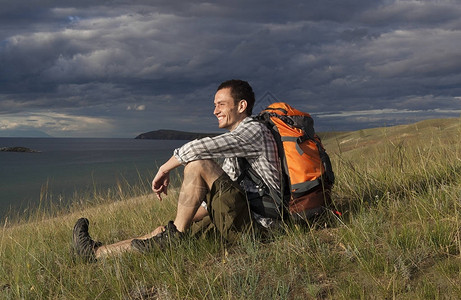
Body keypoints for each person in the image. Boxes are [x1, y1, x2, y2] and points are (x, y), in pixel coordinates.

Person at [72, 79, 282, 261]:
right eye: (214, 105)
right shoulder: (238, 143)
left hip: (261, 227)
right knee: (162, 233)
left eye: (221, 104)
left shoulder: (254, 131)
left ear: (241, 105)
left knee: (198, 163)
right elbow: (224, 193)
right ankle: (95, 253)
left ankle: (173, 238)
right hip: (242, 217)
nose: (215, 111)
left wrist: (164, 168)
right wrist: (178, 223)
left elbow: (198, 148)